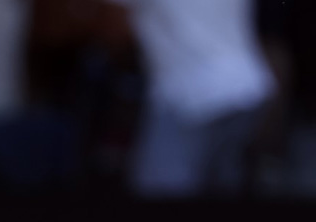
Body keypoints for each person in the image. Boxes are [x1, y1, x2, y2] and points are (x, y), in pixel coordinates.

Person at [103, 0, 278, 199]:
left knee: (162, 195)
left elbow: (113, 28)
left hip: (191, 93)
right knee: (219, 187)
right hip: (247, 85)